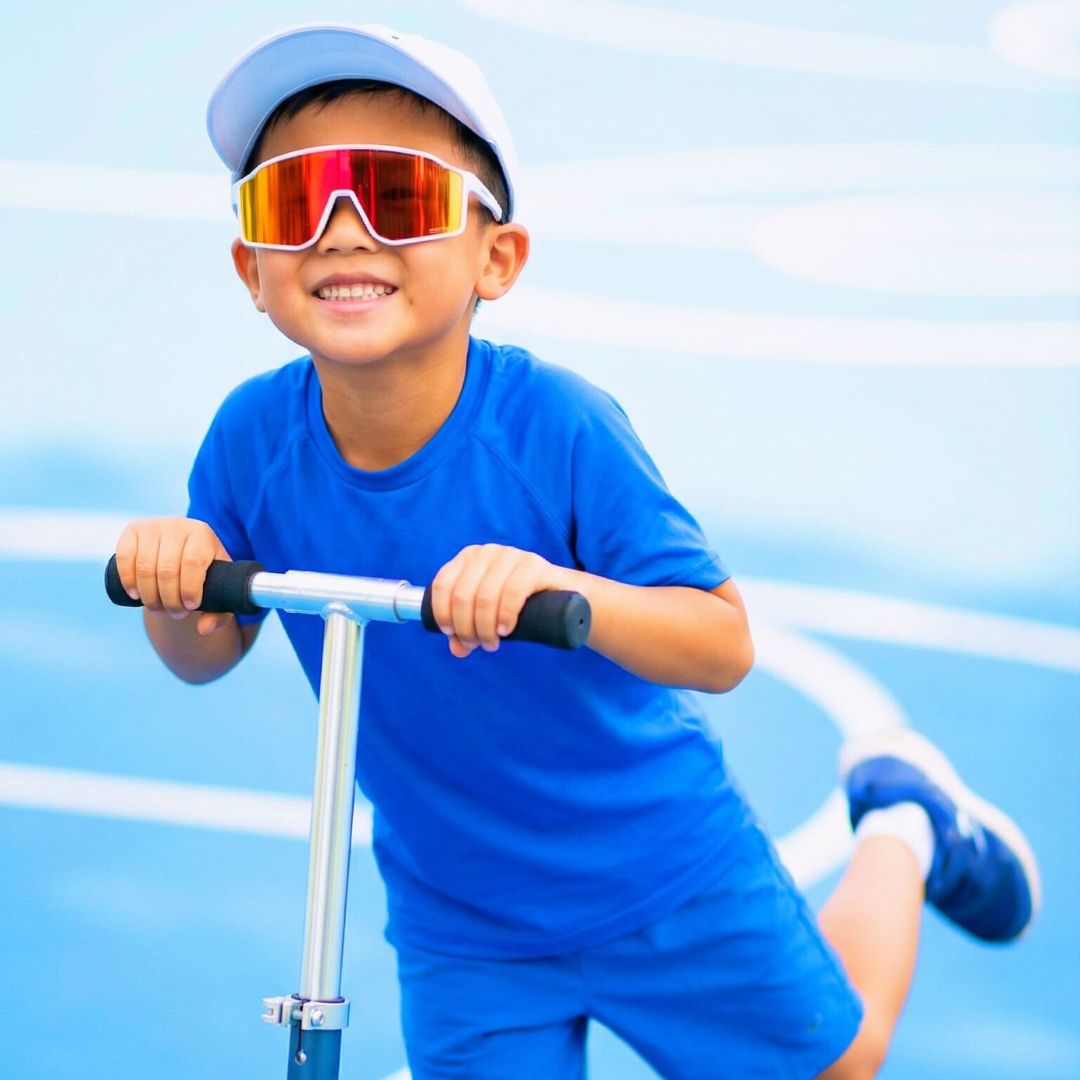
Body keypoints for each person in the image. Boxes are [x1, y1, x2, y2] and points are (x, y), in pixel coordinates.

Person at [112, 23, 1040, 1079]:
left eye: (399, 197)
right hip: (463, 915)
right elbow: (203, 651)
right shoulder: (249, 440)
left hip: (658, 869)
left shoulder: (558, 429)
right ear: (251, 266)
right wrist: (172, 582)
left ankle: (904, 817)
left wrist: (563, 589)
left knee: (841, 1064)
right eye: (294, 201)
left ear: (495, 258)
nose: (343, 231)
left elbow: (722, 644)